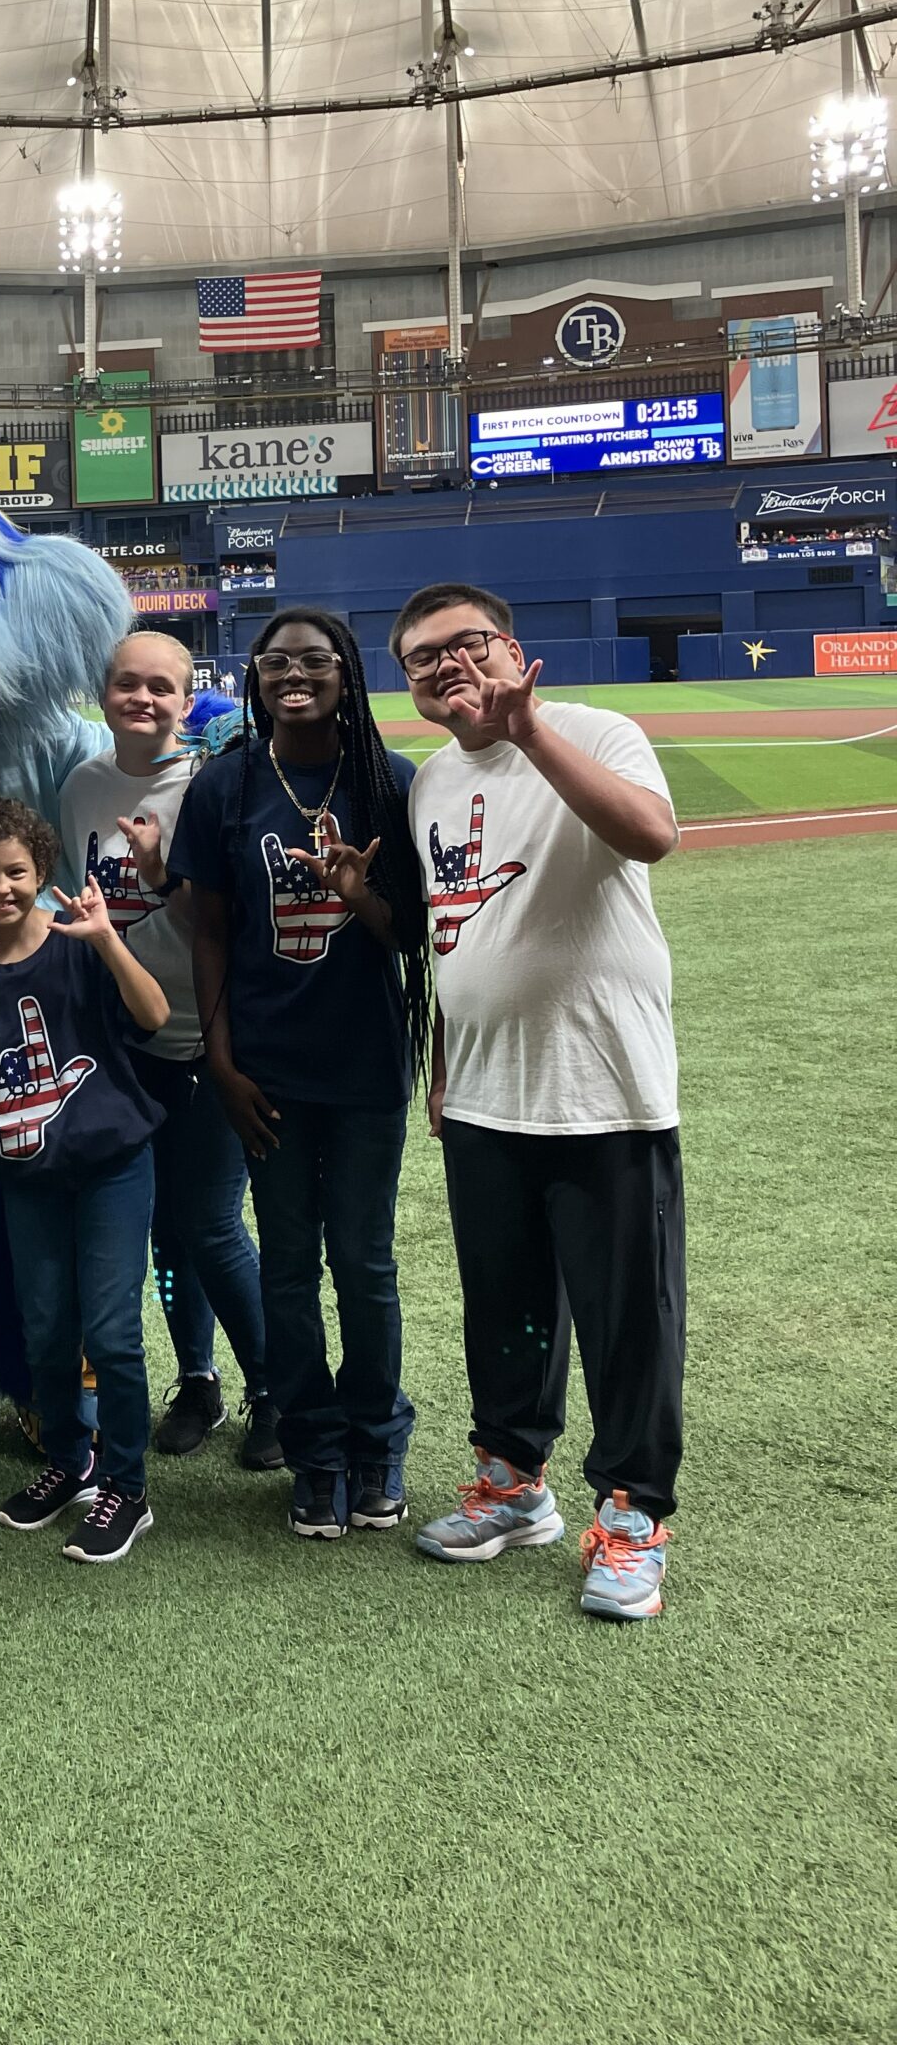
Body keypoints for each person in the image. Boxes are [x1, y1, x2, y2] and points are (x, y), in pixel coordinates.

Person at [391, 585, 683, 1622]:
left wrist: (532, 732)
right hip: (482, 1093)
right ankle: (514, 1483)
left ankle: (635, 1513)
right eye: (422, 659)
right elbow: (451, 933)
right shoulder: (430, 780)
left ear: (509, 648)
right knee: (505, 1310)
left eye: (463, 644)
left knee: (626, 1322)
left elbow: (649, 835)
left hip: (602, 1086)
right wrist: (440, 1061)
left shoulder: (597, 730)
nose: (444, 666)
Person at [169, 609, 430, 1544]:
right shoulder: (226, 785)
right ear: (254, 676)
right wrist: (223, 1060)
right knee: (286, 1266)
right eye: (276, 661)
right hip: (264, 1070)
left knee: (363, 1264)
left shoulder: (389, 782)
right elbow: (208, 931)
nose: (294, 675)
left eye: (315, 661)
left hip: (363, 1064)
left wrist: (362, 896)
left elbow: (412, 937)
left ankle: (375, 1443)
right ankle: (313, 1450)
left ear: (346, 673)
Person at [59, 631, 280, 1469]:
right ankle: (199, 1378)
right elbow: (75, 902)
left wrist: (157, 875)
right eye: (127, 685)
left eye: (162, 688)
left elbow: (221, 926)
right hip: (121, 1041)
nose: (143, 700)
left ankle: (274, 1390)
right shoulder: (83, 785)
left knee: (211, 1223)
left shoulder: (215, 783)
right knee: (164, 1232)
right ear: (104, 692)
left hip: (208, 1035)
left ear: (188, 702)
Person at [0, 797, 169, 1567]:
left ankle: (126, 1488)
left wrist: (108, 943)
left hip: (110, 1165)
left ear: (42, 870)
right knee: (46, 1330)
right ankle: (70, 1460)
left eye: (16, 872)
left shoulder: (80, 942)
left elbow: (156, 1014)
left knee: (112, 1333)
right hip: (27, 1172)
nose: (1, 888)